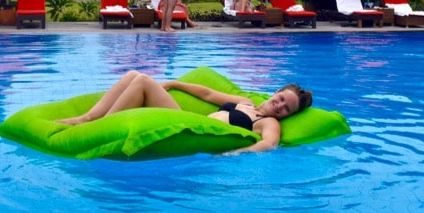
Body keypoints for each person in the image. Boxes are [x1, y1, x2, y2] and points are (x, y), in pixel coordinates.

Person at [55, 70, 312, 153]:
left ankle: (99, 127)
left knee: (143, 81)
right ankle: (87, 118)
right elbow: (209, 94)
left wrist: (235, 153)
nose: (279, 106)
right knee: (134, 75)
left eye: (286, 109)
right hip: (189, 119)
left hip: (190, 127)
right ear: (275, 92)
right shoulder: (245, 101)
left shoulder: (268, 122)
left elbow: (269, 144)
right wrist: (175, 83)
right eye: (280, 99)